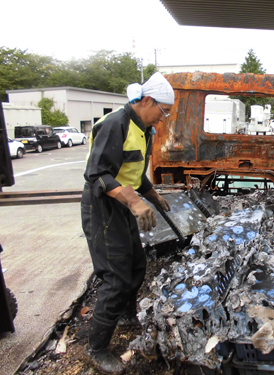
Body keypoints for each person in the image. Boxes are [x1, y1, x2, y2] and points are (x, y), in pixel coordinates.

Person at [81, 72, 175, 374]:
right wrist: (134, 201)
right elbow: (98, 174)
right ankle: (95, 348)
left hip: (123, 203)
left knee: (136, 264)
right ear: (146, 101)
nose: (162, 119)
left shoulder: (144, 129)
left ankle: (124, 316)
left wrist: (152, 196)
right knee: (115, 276)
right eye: (162, 111)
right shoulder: (115, 124)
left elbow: (133, 172)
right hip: (104, 206)